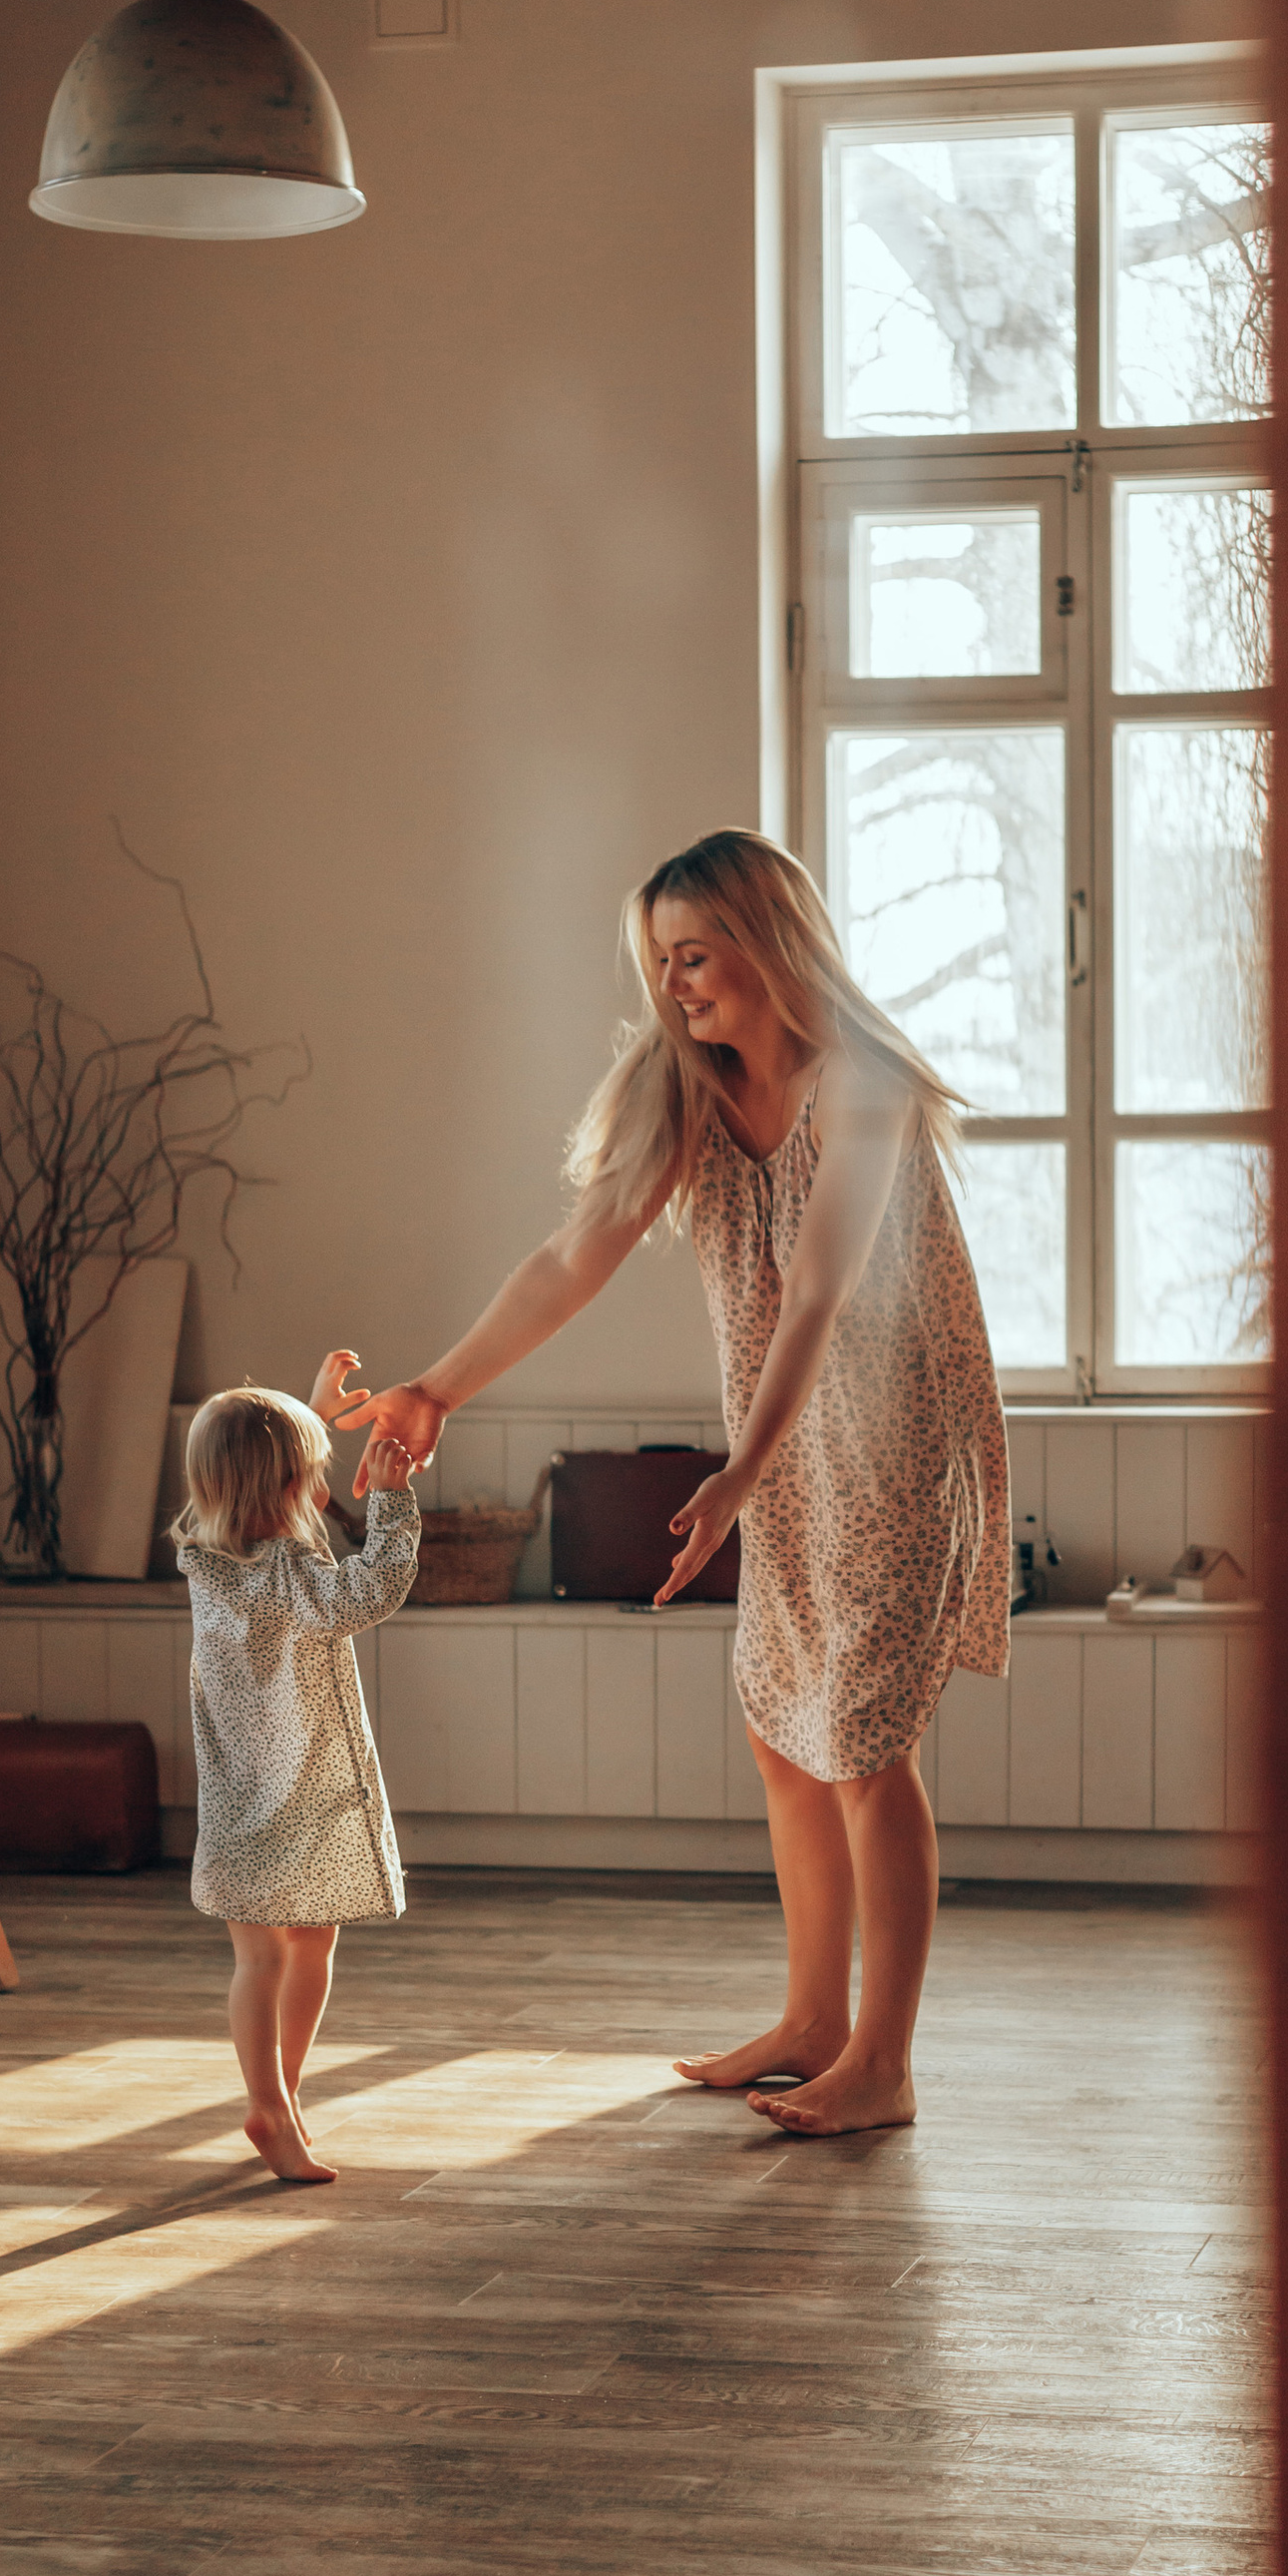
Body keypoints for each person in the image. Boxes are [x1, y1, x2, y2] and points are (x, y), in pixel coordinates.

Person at [341, 830, 1009, 2137]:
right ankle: (815, 2022)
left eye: (695, 957)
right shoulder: (684, 1092)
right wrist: (437, 1387)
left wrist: (736, 1473)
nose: (677, 987)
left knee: (869, 1746)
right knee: (783, 1732)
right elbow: (567, 1259)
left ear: (770, 947)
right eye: (662, 964)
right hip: (788, 1452)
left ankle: (884, 2062)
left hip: (890, 1439)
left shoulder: (860, 1085)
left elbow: (821, 1285)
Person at [175, 1354, 422, 2184]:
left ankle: (275, 2099)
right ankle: (274, 2102)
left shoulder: (203, 1557)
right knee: (302, 1949)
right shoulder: (291, 1574)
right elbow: (369, 1593)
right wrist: (389, 1504)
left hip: (240, 1795)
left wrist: (309, 1418)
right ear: (281, 1491)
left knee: (268, 1955)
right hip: (302, 1791)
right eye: (313, 1478)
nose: (326, 1494)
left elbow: (249, 1476)